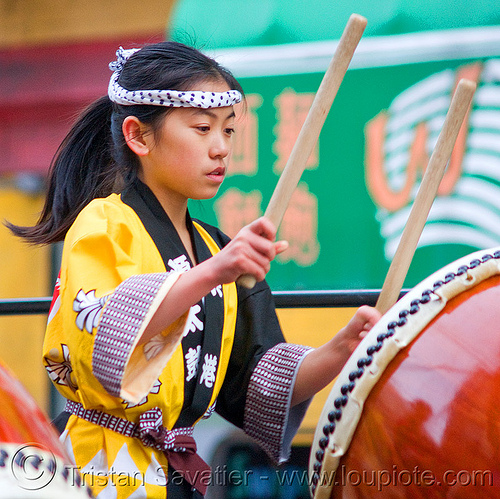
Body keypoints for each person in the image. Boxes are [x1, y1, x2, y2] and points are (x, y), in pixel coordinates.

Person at [8, 41, 381, 498]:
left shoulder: (213, 247)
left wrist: (342, 348)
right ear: (139, 136)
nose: (221, 148)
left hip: (177, 473)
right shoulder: (105, 223)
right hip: (100, 468)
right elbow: (102, 332)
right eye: (203, 128)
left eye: (227, 131)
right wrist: (215, 273)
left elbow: (261, 383)